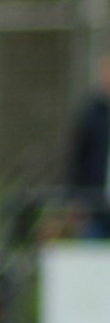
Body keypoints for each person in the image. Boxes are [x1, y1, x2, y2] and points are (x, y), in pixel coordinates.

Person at [66, 54, 110, 239]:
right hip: (95, 206)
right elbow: (77, 158)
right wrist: (75, 200)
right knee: (92, 259)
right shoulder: (91, 114)